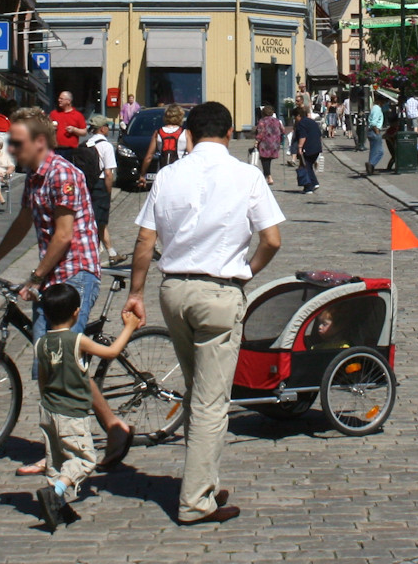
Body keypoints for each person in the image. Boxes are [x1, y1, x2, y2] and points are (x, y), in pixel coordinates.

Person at [126, 102, 284, 525]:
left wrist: (135, 293)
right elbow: (271, 239)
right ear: (230, 134)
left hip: (174, 291)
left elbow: (144, 240)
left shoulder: (168, 175)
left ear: (189, 135)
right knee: (213, 401)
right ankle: (196, 500)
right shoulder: (247, 175)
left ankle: (205, 480)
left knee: (198, 389)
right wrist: (247, 271)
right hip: (219, 292)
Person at [0, 107, 133, 471]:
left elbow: (64, 235)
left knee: (58, 363)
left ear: (40, 142)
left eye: (17, 142)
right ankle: (100, 431)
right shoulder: (34, 177)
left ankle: (80, 445)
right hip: (54, 276)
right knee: (57, 365)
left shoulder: (62, 175)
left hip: (74, 276)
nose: (11, 148)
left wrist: (35, 279)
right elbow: (23, 221)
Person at [30, 284, 143, 530]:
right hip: (71, 412)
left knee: (56, 461)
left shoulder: (40, 344)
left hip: (48, 411)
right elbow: (111, 351)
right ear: (77, 313)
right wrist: (129, 327)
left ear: (46, 315)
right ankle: (57, 491)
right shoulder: (77, 340)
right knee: (84, 459)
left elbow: (42, 382)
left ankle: (56, 505)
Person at [84, 115, 122, 263]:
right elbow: (108, 173)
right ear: (102, 128)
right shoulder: (106, 146)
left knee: (95, 220)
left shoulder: (87, 143)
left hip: (88, 184)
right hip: (100, 185)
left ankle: (109, 252)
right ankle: (102, 253)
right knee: (100, 221)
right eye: (107, 126)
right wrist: (109, 190)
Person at [140, 103, 190, 187]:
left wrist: (142, 175)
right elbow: (192, 155)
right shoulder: (185, 133)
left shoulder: (158, 132)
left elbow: (149, 156)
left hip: (162, 172)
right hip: (180, 173)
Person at [292, 105, 324, 193]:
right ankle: (314, 183)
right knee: (308, 166)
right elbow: (319, 134)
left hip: (308, 148)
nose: (295, 119)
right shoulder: (311, 122)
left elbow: (303, 136)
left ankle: (309, 186)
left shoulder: (301, 123)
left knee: (306, 166)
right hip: (317, 147)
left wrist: (300, 147)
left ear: (298, 115)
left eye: (295, 117)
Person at [253, 106, 284, 186]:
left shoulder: (262, 121)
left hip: (265, 143)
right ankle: (265, 176)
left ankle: (268, 177)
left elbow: (260, 133)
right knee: (268, 160)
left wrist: (256, 142)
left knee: (264, 160)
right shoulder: (277, 121)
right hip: (275, 143)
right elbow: (283, 130)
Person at [366, 99, 387, 169]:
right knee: (380, 152)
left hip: (371, 131)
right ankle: (371, 164)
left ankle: (370, 168)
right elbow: (373, 122)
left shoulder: (374, 108)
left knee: (373, 151)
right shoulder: (377, 109)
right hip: (374, 131)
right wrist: (377, 131)